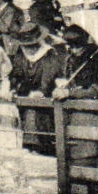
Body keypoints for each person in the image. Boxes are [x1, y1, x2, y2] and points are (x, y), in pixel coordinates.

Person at [55, 25, 98, 194]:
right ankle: (87, 191)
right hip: (75, 112)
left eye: (77, 45)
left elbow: (97, 90)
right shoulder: (71, 58)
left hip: (93, 112)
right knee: (78, 151)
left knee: (94, 151)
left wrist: (71, 93)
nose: (74, 50)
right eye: (70, 46)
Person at [8, 24, 65, 155]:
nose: (29, 49)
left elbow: (48, 78)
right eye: (26, 45)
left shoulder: (49, 55)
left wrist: (41, 91)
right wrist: (14, 88)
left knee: (35, 119)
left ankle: (38, 149)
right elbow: (16, 75)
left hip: (44, 101)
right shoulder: (20, 55)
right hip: (25, 98)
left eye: (31, 45)